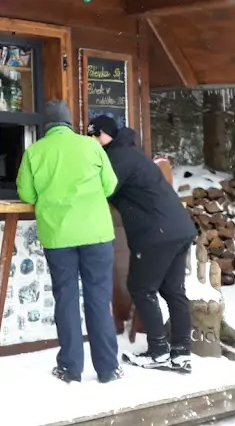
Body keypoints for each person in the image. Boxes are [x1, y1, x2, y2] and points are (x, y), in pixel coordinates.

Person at [17, 100, 122, 384]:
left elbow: (26, 194)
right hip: (97, 234)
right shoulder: (91, 146)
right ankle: (108, 368)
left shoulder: (34, 152)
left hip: (58, 235)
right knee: (99, 299)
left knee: (66, 298)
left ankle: (70, 368)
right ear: (69, 122)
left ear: (45, 126)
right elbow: (110, 186)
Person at [88, 115, 197, 373]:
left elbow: (103, 190)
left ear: (107, 135)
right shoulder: (131, 153)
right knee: (173, 291)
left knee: (141, 287)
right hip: (178, 229)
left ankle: (158, 350)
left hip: (156, 233)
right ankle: (181, 353)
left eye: (95, 134)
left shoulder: (118, 158)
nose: (92, 140)